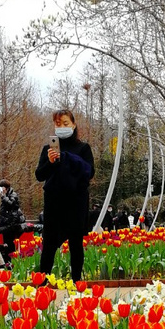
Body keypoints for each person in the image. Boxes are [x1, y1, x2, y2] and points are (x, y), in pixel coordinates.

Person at [35, 109, 95, 282]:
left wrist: (67, 157)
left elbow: (89, 172)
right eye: (58, 124)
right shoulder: (49, 149)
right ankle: (42, 282)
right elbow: (40, 175)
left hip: (76, 202)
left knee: (76, 244)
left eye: (65, 123)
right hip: (54, 203)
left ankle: (76, 282)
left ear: (74, 125)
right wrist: (52, 162)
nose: (61, 127)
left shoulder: (83, 148)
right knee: (49, 244)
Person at [0, 180, 26, 261]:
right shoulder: (6, 195)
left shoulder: (12, 195)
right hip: (6, 225)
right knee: (7, 245)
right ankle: (8, 261)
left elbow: (11, 205)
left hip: (10, 226)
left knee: (10, 245)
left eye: (0, 188)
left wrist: (3, 196)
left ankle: (11, 262)